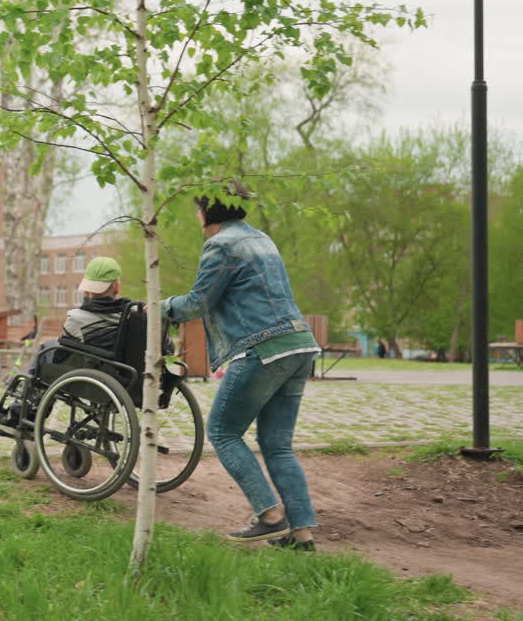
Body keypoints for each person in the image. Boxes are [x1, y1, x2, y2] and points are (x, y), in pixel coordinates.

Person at [161, 181, 321, 552]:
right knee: (277, 445)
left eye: (197, 208)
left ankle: (269, 515)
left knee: (222, 432)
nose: (196, 214)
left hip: (263, 348)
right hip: (299, 344)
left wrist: (160, 306)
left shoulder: (221, 245)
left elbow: (197, 304)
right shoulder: (262, 239)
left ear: (206, 213)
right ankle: (302, 536)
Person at [28, 257, 137, 377]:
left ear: (87, 290)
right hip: (126, 377)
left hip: (91, 374)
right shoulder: (134, 316)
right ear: (116, 287)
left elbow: (60, 356)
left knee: (45, 347)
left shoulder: (76, 318)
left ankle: (28, 386)